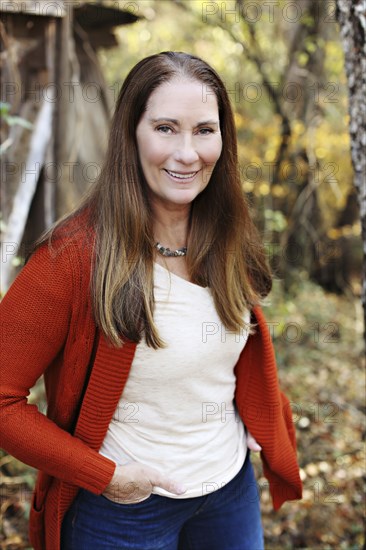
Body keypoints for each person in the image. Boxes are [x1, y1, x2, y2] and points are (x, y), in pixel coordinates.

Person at [0, 51, 302, 550]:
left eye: (204, 130)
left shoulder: (226, 237)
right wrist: (103, 474)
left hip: (228, 492)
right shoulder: (72, 259)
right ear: (131, 134)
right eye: (166, 127)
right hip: (121, 513)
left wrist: (260, 415)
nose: (187, 153)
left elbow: (227, 354)